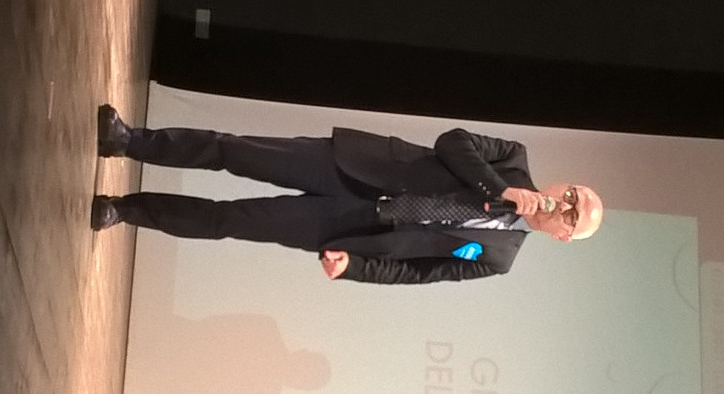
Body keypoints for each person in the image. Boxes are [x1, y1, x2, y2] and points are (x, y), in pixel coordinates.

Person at [91, 105, 603, 284]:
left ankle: (124, 209)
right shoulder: (513, 159)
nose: (565, 206)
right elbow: (453, 143)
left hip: (352, 228)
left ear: (563, 237)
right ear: (564, 184)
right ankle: (129, 141)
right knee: (234, 150)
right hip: (353, 167)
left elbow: (417, 273)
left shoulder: (498, 258)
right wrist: (501, 189)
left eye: (573, 217)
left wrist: (354, 267)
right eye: (573, 196)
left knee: (230, 220)